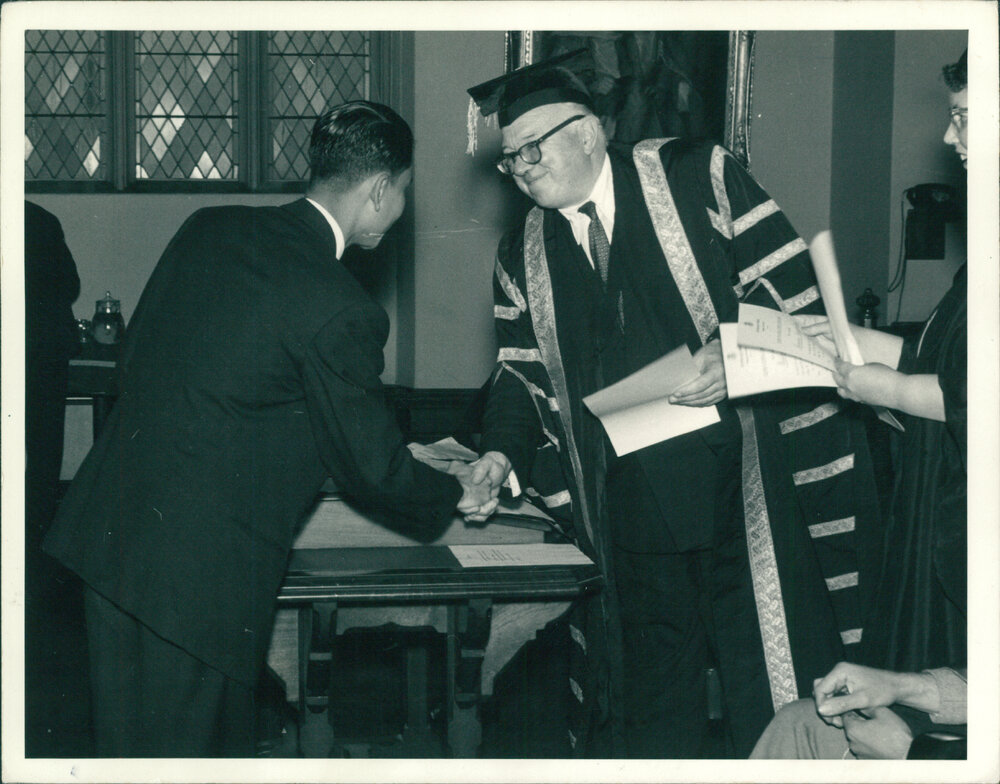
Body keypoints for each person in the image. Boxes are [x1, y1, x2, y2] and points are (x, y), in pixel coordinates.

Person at [464, 52, 882, 758]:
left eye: (535, 146)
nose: (524, 166)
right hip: (628, 515)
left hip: (740, 493)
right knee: (651, 713)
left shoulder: (698, 176)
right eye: (512, 159)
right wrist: (500, 452)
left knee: (777, 689)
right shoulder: (521, 251)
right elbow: (518, 376)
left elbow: (794, 298)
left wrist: (735, 355)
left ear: (591, 131)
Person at [43, 101, 491, 757]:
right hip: (193, 580)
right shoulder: (342, 306)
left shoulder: (208, 227)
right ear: (376, 192)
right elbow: (373, 470)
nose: (399, 211)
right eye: (401, 192)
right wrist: (458, 492)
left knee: (129, 747)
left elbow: (157, 363)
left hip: (108, 538)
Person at [752, 48, 968, 760]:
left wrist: (884, 390)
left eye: (965, 118)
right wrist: (836, 341)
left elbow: (972, 398)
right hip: (938, 515)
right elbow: (943, 365)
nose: (948, 138)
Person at [24, 201, 80, 562]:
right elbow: (70, 286)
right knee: (44, 449)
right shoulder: (41, 218)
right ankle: (38, 535)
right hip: (45, 348)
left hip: (27, 347)